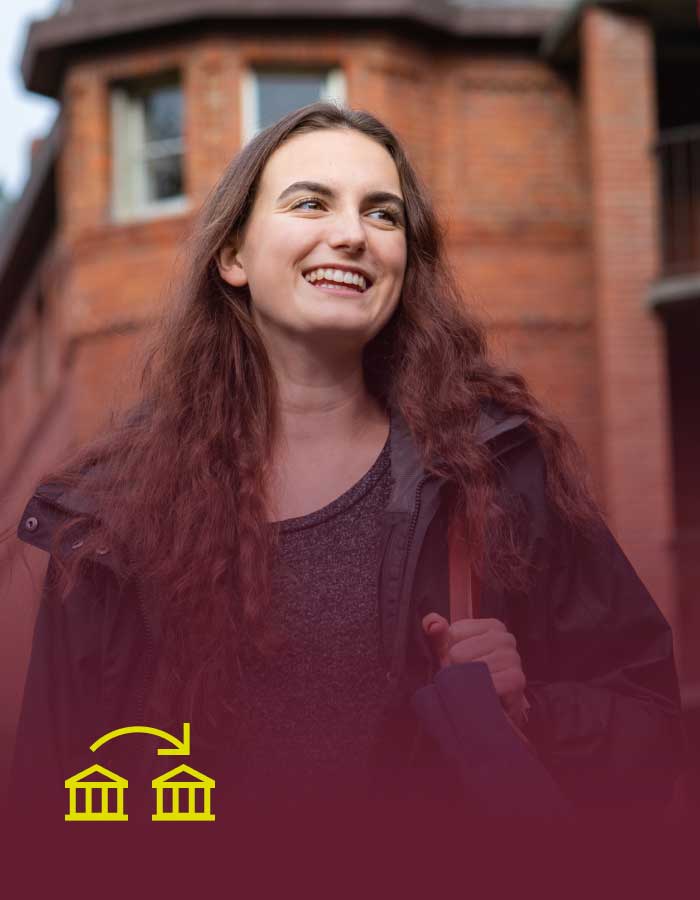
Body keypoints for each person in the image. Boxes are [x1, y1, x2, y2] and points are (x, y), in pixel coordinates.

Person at [6, 102, 686, 834]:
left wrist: (530, 712)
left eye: (382, 214)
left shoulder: (499, 473)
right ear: (233, 257)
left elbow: (652, 729)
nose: (353, 235)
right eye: (311, 203)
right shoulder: (114, 521)